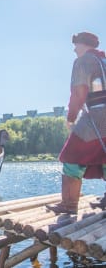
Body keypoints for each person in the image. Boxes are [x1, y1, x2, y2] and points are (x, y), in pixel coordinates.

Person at [46, 32, 106, 214]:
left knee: (71, 155)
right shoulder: (103, 61)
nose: (74, 49)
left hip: (96, 117)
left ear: (83, 44)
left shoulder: (83, 61)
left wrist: (71, 118)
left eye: (76, 44)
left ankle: (69, 205)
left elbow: (78, 93)